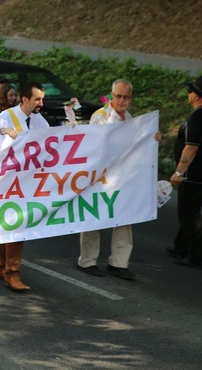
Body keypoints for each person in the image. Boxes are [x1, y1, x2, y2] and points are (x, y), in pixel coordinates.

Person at [0, 82, 50, 292]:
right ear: (25, 99)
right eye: (37, 99)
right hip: (8, 181)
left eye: (42, 99)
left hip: (27, 181)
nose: (41, 103)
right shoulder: (7, 116)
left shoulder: (38, 119)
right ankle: (13, 272)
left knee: (13, 223)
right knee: (16, 224)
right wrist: (2, 130)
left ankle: (2, 266)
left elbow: (50, 138)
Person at [78, 79, 138, 280]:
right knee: (94, 215)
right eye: (118, 96)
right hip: (100, 176)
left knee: (125, 217)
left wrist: (151, 138)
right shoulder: (100, 117)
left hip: (123, 176)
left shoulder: (130, 119)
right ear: (111, 96)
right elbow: (93, 145)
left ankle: (119, 263)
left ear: (130, 98)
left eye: (126, 97)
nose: (122, 100)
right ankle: (87, 260)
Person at [167, 76, 202, 270]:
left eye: (191, 91)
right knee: (190, 210)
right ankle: (180, 247)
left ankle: (196, 256)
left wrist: (179, 172)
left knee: (188, 213)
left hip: (195, 174)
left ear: (198, 96)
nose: (188, 94)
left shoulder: (199, 116)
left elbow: (191, 147)